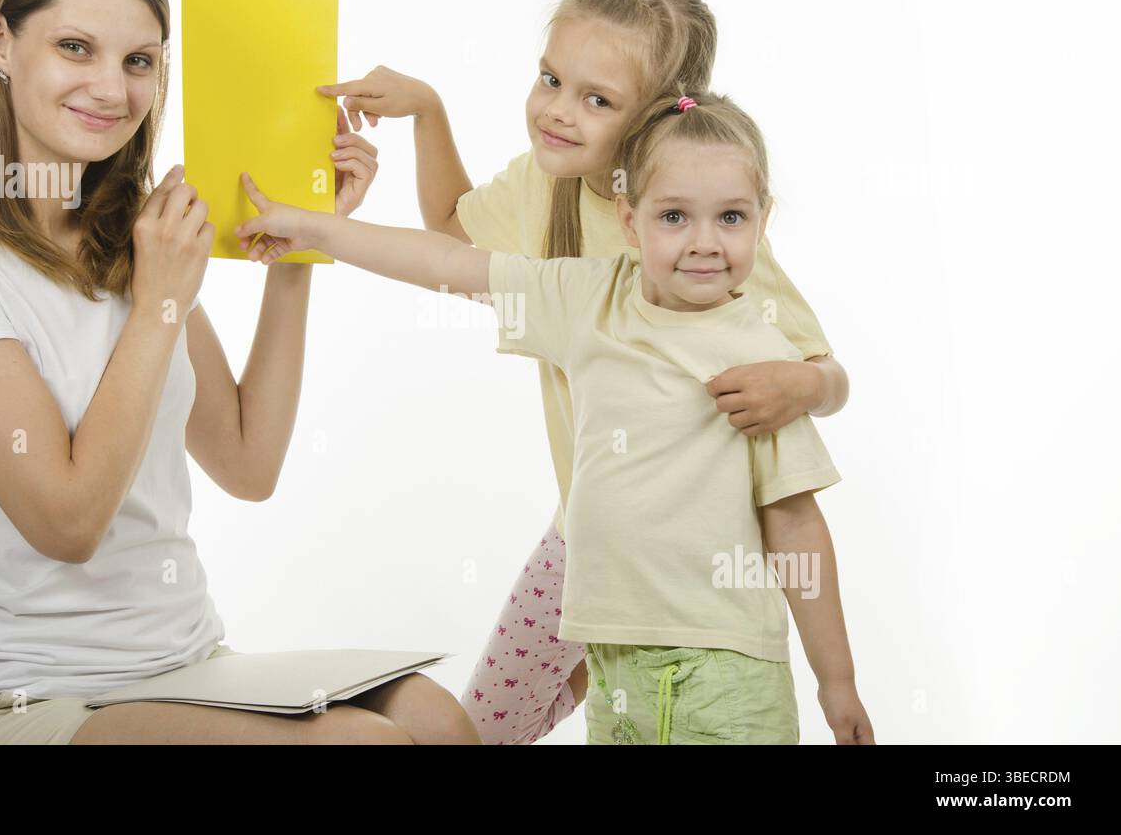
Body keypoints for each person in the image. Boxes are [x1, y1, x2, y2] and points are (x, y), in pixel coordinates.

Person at [0, 0, 477, 745]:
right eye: (75, 47)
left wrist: (300, 250)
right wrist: (159, 301)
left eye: (139, 61)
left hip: (186, 663)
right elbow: (69, 522)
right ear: (1, 45)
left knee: (434, 719)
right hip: (27, 696)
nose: (111, 89)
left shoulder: (136, 233)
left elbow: (247, 460)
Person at [234, 88, 873, 744]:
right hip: (615, 667)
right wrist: (313, 229)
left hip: (726, 675)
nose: (704, 243)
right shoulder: (587, 301)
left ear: (762, 220)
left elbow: (797, 525)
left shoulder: (765, 357)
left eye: (731, 218)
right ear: (631, 221)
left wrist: (839, 681)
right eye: (675, 216)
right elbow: (449, 264)